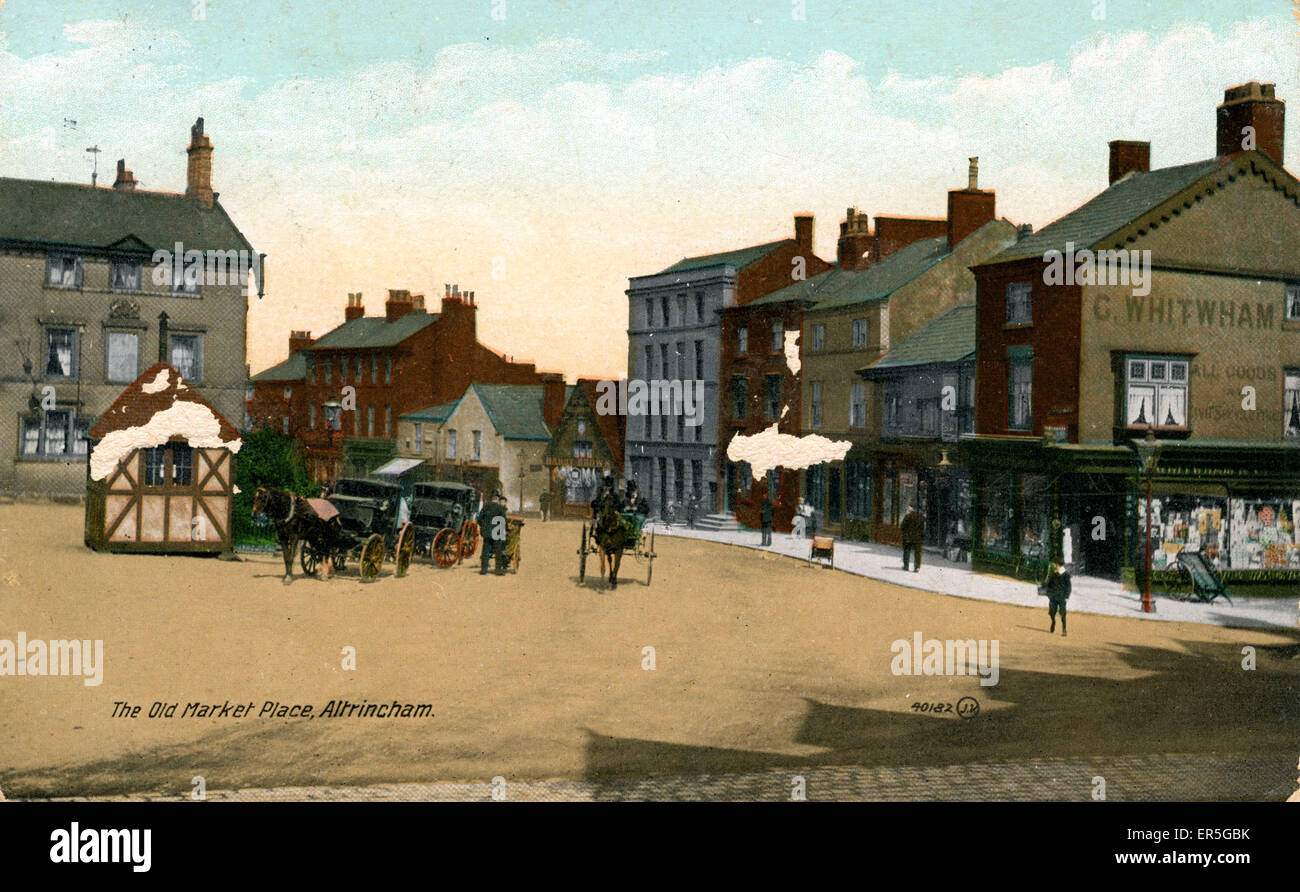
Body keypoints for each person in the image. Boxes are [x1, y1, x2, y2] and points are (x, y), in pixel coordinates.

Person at [477, 492, 509, 575]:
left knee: (485, 551)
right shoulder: (500, 508)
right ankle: (498, 570)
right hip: (497, 532)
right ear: (497, 500)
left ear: (492, 499)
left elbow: (479, 519)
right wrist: (505, 530)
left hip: (487, 532)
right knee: (498, 551)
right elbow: (503, 521)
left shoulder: (485, 507)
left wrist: (483, 526)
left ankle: (484, 570)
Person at [1043, 561, 1071, 636]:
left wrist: (1067, 596)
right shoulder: (1053, 574)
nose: (1055, 566)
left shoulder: (1066, 575)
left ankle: (1064, 629)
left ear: (1059, 566)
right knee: (1052, 612)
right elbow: (1049, 585)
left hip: (1062, 597)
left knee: (1062, 613)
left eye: (1056, 565)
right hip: (1053, 596)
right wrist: (1049, 594)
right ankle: (1053, 622)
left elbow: (1068, 586)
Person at [900, 503, 925, 572]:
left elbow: (902, 526)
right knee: (918, 552)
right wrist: (922, 537)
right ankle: (917, 567)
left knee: (907, 551)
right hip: (918, 538)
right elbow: (923, 529)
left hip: (908, 537)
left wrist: (905, 533)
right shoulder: (921, 517)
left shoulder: (908, 516)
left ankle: (906, 566)